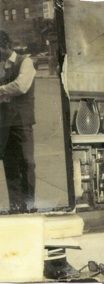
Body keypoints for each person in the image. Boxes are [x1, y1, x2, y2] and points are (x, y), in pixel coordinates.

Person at [0, 30, 36, 212]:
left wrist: (1, 90)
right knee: (10, 165)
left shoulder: (25, 62)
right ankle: (16, 206)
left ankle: (29, 205)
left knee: (27, 163)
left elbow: (21, 86)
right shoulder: (2, 65)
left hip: (22, 122)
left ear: (4, 46)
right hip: (5, 123)